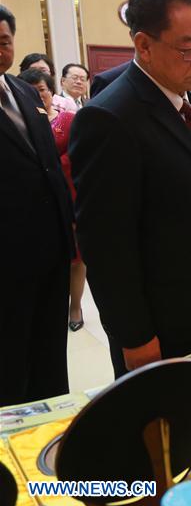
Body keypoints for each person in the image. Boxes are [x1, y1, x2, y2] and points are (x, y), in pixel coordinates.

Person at [69, 0, 191, 378]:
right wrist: (134, 336)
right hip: (163, 321)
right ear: (143, 45)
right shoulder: (109, 118)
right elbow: (106, 244)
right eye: (188, 49)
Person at [0, 4, 74, 405]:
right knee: (10, 358)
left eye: (4, 41)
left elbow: (46, 162)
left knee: (48, 349)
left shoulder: (25, 91)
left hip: (50, 245)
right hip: (7, 255)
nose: (0, 49)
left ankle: (52, 420)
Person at [19, 68, 85, 332]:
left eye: (42, 90)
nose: (38, 95)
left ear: (51, 90)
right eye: (31, 91)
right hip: (34, 203)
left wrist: (48, 166)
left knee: (77, 257)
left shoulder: (68, 120)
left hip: (70, 199)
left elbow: (78, 155)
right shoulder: (19, 123)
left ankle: (76, 306)